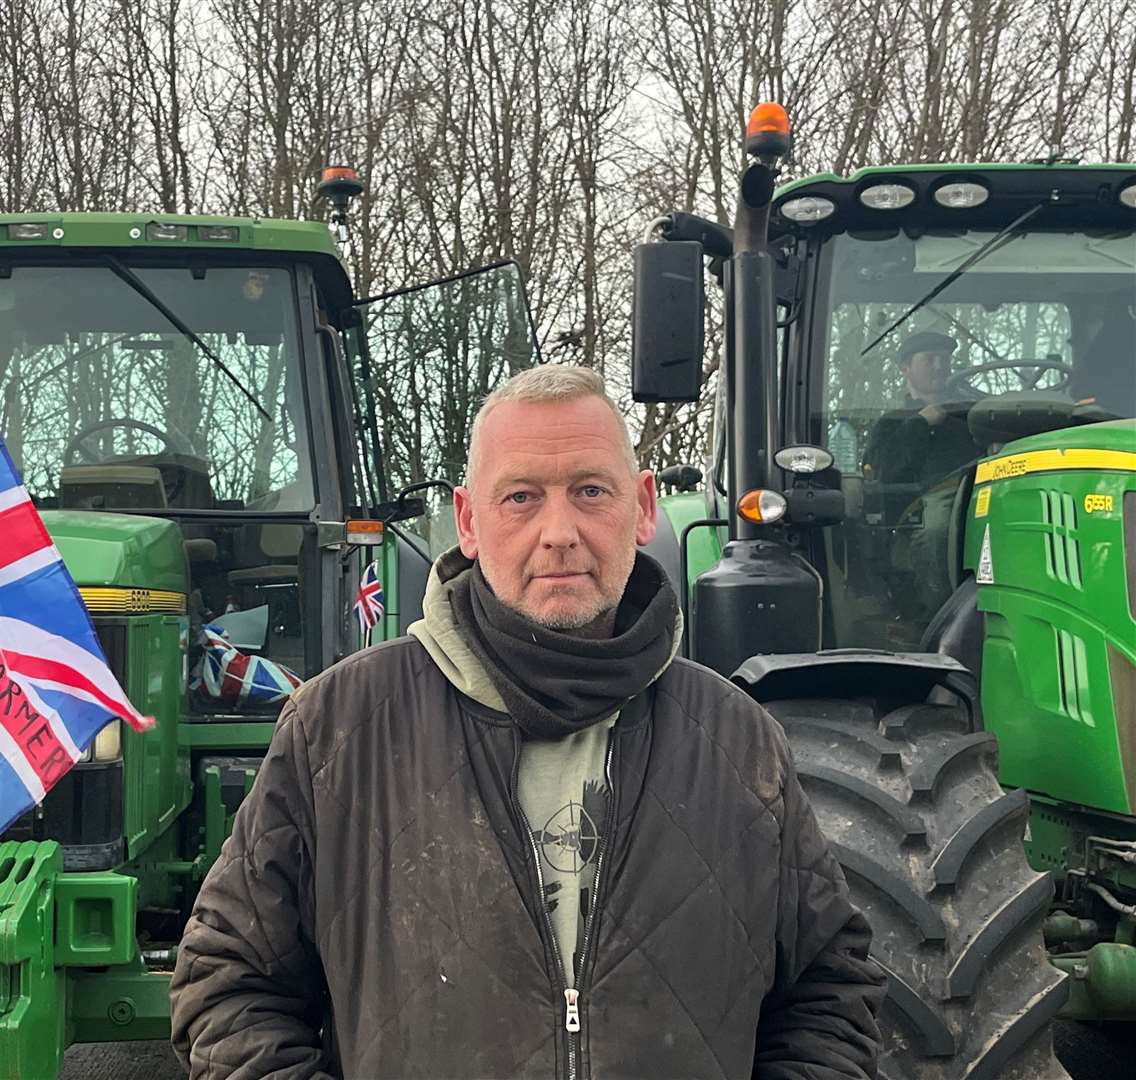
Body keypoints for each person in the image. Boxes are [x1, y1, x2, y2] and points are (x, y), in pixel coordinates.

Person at [169, 366, 885, 1078]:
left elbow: (827, 993)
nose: (559, 532)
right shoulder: (338, 729)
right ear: (471, 521)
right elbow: (228, 985)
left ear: (641, 510)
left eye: (589, 491)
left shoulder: (739, 740)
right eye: (521, 497)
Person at [863, 331, 984, 489]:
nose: (939, 366)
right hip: (916, 508)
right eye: (929, 359)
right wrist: (919, 424)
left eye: (944, 359)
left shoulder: (971, 416)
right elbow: (877, 472)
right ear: (905, 368)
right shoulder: (891, 423)